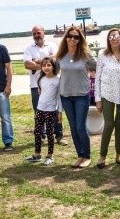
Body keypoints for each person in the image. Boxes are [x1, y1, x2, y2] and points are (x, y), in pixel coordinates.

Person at [56, 26, 94, 168]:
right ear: (66, 38)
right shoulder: (61, 55)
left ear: (80, 40)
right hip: (66, 96)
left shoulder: (85, 54)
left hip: (81, 95)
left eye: (76, 37)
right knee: (73, 127)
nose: (72, 39)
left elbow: (99, 66)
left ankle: (87, 156)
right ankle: (80, 155)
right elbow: (52, 71)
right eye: (70, 36)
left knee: (80, 126)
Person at [23, 25, 66, 145]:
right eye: (34, 34)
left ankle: (59, 135)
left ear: (44, 33)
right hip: (36, 85)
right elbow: (27, 64)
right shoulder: (28, 48)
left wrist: (38, 60)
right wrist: (47, 64)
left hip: (53, 83)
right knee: (38, 111)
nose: (36, 36)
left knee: (55, 109)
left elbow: (57, 59)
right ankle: (41, 136)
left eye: (38, 33)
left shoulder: (52, 45)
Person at [95, 28, 120, 169]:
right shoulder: (103, 56)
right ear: (108, 40)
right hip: (107, 93)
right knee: (109, 124)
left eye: (116, 36)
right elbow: (97, 78)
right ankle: (102, 156)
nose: (114, 38)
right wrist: (98, 99)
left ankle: (119, 154)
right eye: (111, 37)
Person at [26, 57, 60, 166]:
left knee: (50, 133)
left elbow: (59, 97)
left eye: (49, 65)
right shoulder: (41, 79)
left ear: (53, 67)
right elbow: (41, 93)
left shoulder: (58, 80)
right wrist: (38, 109)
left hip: (51, 111)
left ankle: (50, 156)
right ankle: (37, 154)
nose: (46, 67)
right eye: (44, 65)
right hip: (40, 109)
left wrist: (60, 111)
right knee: (37, 131)